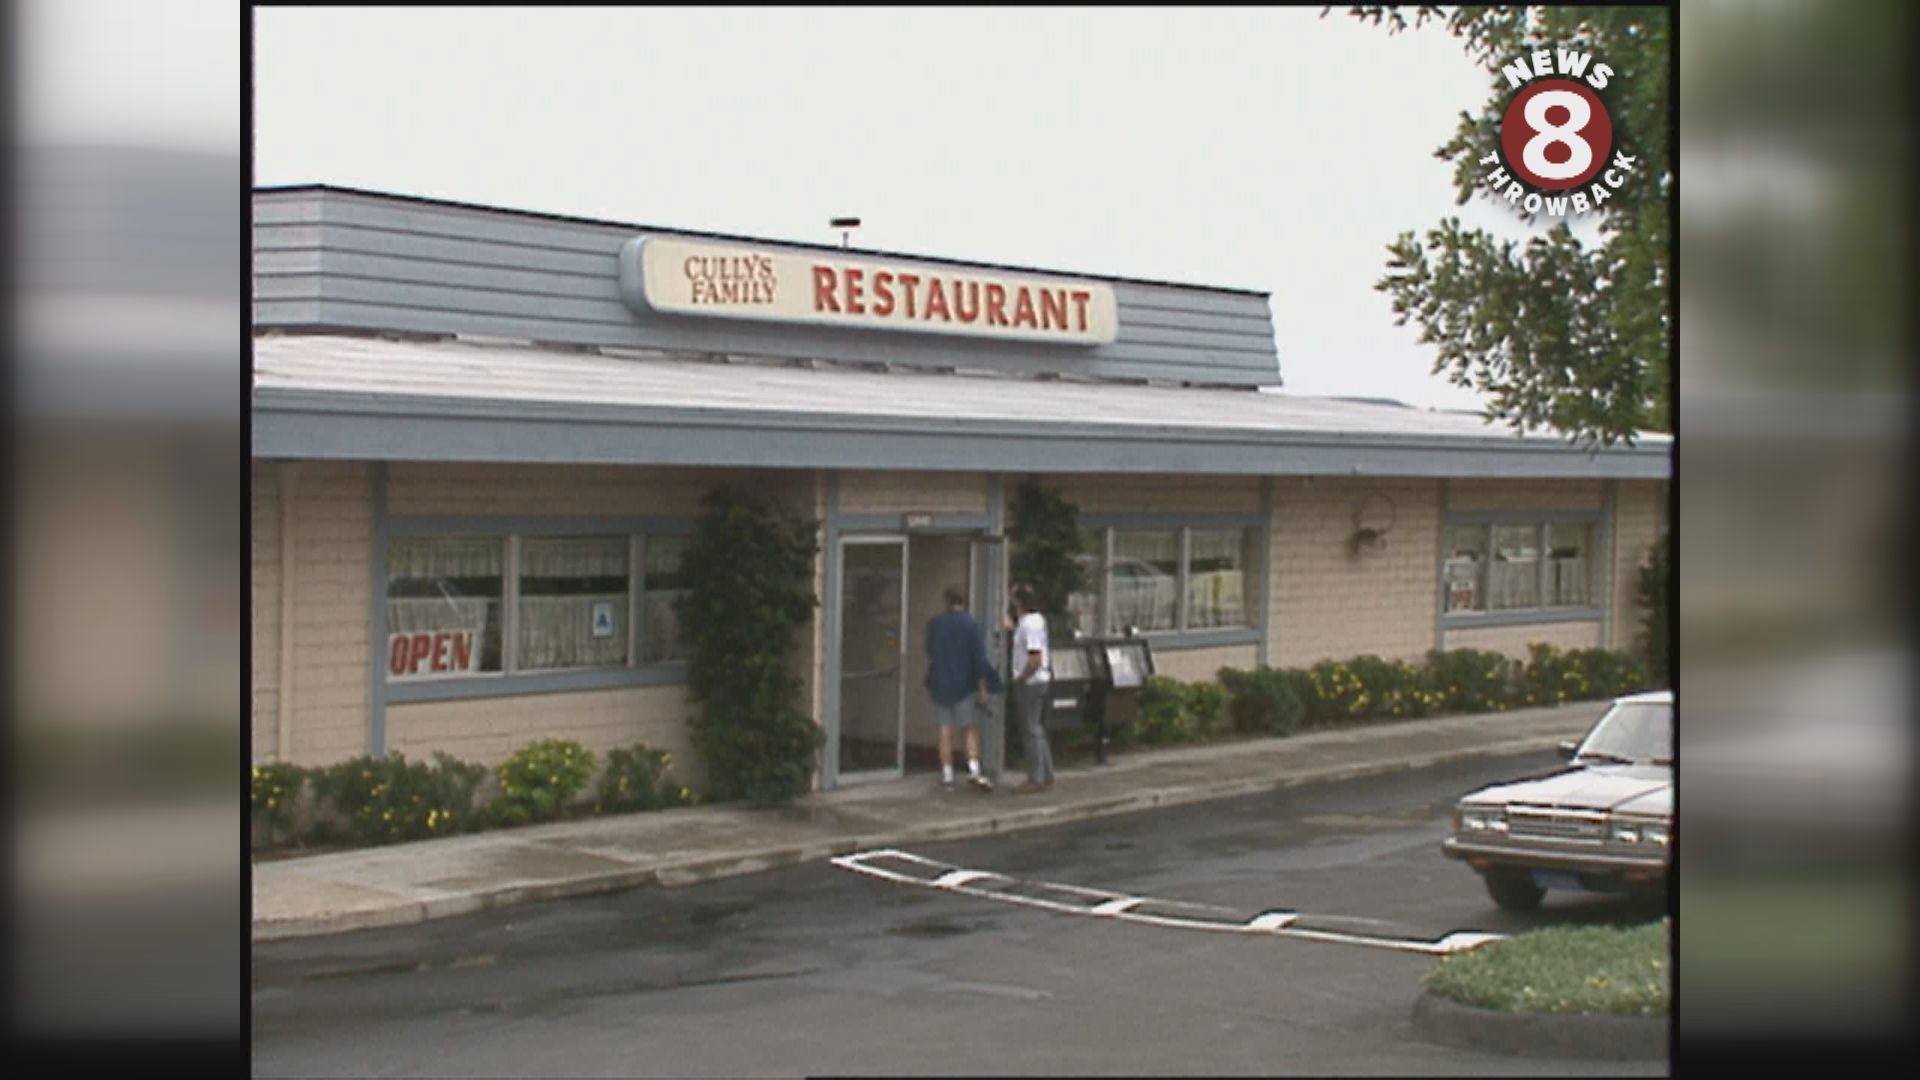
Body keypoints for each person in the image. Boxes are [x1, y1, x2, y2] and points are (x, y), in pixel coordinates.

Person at [924, 586, 996, 791]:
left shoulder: (935, 623)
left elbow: (930, 651)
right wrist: (983, 687)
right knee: (968, 728)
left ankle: (947, 775)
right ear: (963, 602)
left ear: (946, 601)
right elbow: (979, 660)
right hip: (964, 684)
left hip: (941, 683)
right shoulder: (972, 625)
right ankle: (974, 769)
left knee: (944, 730)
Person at [1008, 585, 1055, 793]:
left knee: (1031, 730)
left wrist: (1021, 677)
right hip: (1037, 681)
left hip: (1031, 682)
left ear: (1019, 601)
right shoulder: (1032, 621)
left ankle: (1035, 778)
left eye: (1012, 597)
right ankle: (1046, 774)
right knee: (1036, 728)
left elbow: (1035, 657)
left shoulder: (1030, 625)